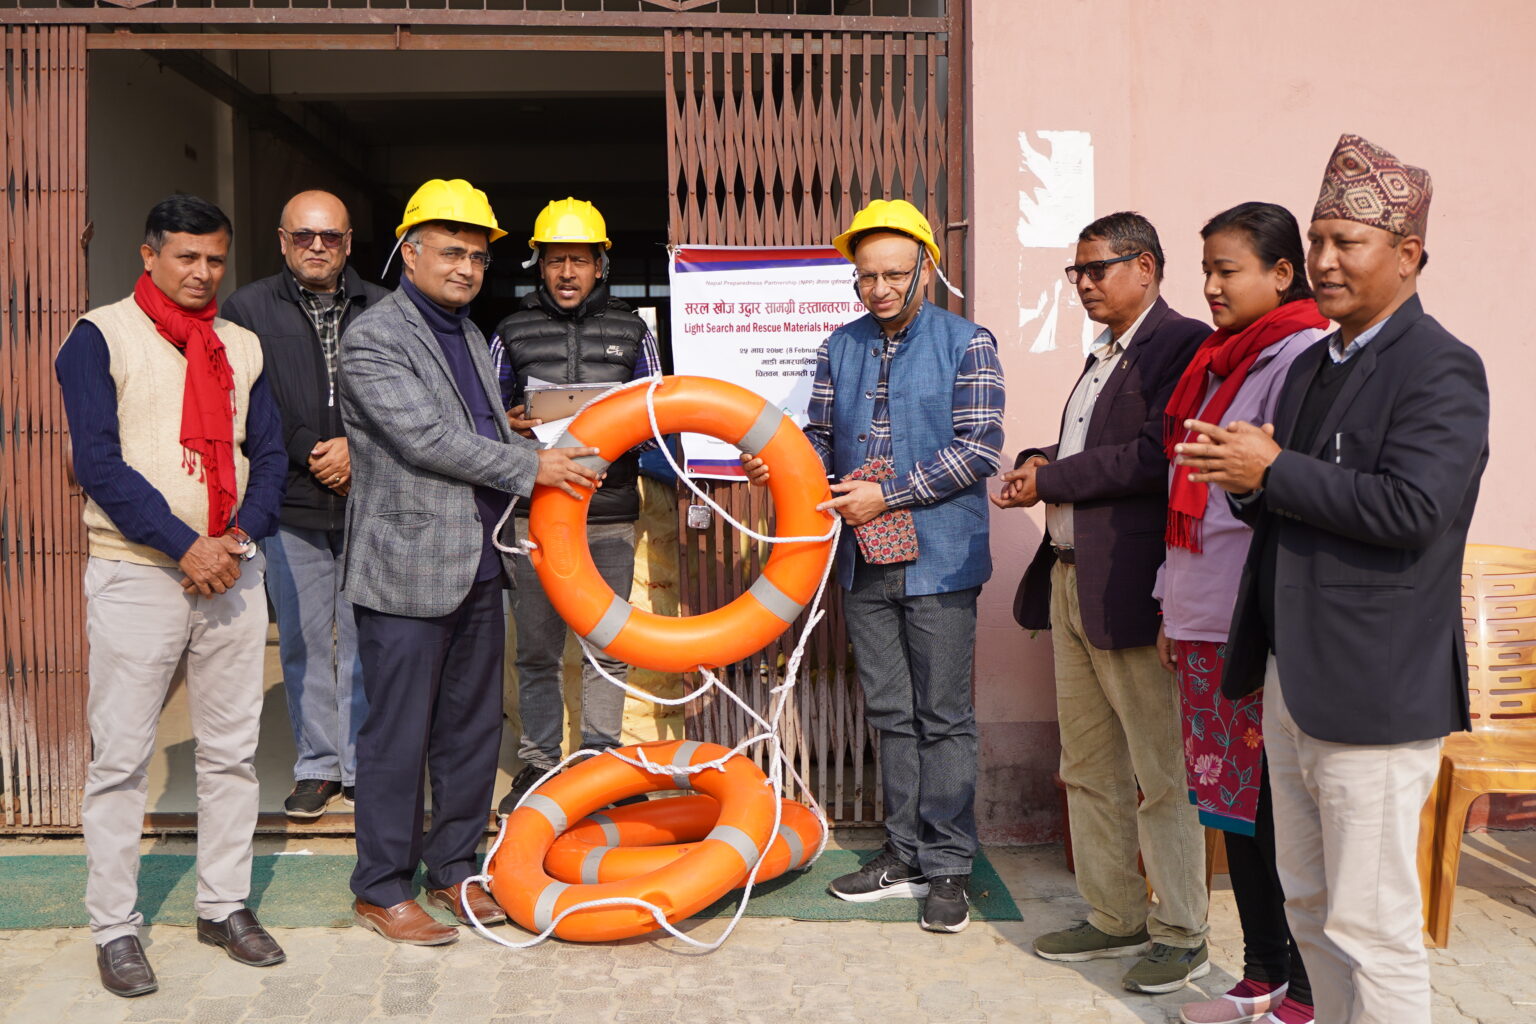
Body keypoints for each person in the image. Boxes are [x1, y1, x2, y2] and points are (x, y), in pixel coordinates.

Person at [1175, 135, 1489, 1023]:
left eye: (1346, 242)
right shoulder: (1316, 362)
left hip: (1375, 691)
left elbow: (1414, 510)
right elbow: (1293, 502)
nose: (1322, 260)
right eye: (1316, 239)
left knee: (1373, 922)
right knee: (1308, 905)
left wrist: (1272, 471)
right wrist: (1240, 478)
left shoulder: (1442, 368)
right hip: (1291, 679)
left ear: (1408, 254)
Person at [337, 179, 602, 946]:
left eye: (479, 257)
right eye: (452, 252)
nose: (466, 268)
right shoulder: (377, 337)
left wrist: (543, 451)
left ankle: (454, 867)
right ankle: (381, 887)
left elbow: (486, 427)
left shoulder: (464, 330)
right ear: (409, 252)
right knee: (398, 735)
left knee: (470, 728)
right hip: (407, 568)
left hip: (480, 565)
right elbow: (425, 438)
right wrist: (534, 470)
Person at [747, 198, 1004, 933]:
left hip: (942, 560)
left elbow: (979, 449)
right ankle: (903, 853)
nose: (881, 289)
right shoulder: (841, 346)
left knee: (944, 717)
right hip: (865, 560)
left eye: (895, 274)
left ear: (926, 267)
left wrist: (885, 494)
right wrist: (780, 461)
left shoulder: (968, 342)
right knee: (892, 714)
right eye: (867, 277)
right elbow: (821, 437)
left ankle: (949, 865)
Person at [55, 195, 289, 997]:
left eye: (215, 259)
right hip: (135, 571)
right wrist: (185, 544)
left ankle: (223, 905)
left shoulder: (242, 347)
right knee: (120, 756)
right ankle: (116, 928)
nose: (202, 273)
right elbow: (98, 463)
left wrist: (234, 541)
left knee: (232, 753)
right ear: (150, 255)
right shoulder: (98, 336)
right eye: (186, 257)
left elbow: (272, 455)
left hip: (231, 571)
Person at [994, 212, 1211, 994]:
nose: (1083, 284)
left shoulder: (1178, 344)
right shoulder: (1103, 355)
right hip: (1068, 578)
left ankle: (1182, 931)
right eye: (1074, 273)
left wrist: (1051, 478)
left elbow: (1158, 455)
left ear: (1145, 268)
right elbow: (1093, 455)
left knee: (1159, 769)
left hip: (1129, 588)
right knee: (1087, 765)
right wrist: (1037, 461)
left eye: (1097, 269)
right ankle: (1114, 913)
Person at [1155, 203, 1329, 1024]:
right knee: (1230, 802)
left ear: (1281, 275)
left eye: (1228, 270)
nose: (1212, 286)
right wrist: (1170, 604)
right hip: (1199, 613)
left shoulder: (1298, 358)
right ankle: (1260, 974)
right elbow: (1184, 488)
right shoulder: (1222, 363)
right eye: (1209, 270)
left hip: (1251, 618)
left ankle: (1300, 984)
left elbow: (1273, 491)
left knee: (1272, 806)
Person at [486, 198, 661, 814]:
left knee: (605, 644)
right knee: (535, 648)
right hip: (537, 513)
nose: (566, 273)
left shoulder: (633, 331)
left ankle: (601, 758)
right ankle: (537, 762)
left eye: (579, 261)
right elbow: (481, 421)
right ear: (539, 264)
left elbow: (659, 413)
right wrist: (508, 427)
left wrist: (624, 429)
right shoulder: (509, 331)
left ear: (600, 265)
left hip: (610, 513)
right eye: (556, 260)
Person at [223, 190, 388, 820]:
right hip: (290, 501)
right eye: (303, 237)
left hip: (370, 502)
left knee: (367, 637)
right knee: (302, 639)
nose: (316, 247)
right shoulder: (247, 308)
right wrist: (311, 448)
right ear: (281, 240)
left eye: (330, 237)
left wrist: (355, 448)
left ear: (348, 243)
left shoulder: (384, 307)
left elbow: (400, 397)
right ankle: (318, 767)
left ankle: (362, 762)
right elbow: (244, 399)